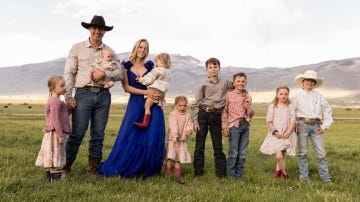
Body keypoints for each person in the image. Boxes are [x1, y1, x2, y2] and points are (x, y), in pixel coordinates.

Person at [62, 15, 122, 179]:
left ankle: (93, 170)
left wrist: (104, 72)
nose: (97, 31)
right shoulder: (77, 48)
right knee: (77, 133)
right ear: (89, 29)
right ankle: (65, 167)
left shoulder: (109, 51)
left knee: (98, 135)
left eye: (100, 29)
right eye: (94, 28)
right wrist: (68, 96)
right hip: (83, 94)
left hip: (103, 96)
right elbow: (69, 73)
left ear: (104, 31)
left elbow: (120, 72)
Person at [97, 39, 166, 178]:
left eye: (146, 48)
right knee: (132, 134)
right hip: (136, 103)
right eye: (140, 47)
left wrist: (159, 93)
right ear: (136, 48)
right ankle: (129, 165)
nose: (143, 50)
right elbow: (126, 88)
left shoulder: (151, 66)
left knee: (153, 136)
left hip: (152, 103)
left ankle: (148, 168)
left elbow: (159, 81)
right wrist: (146, 92)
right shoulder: (125, 67)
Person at [191, 57, 233, 178]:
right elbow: (196, 104)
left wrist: (248, 96)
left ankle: (221, 174)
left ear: (219, 68)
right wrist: (195, 121)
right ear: (206, 70)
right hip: (203, 114)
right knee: (199, 145)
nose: (213, 69)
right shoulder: (202, 85)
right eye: (210, 67)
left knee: (218, 145)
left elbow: (238, 86)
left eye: (215, 67)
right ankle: (198, 173)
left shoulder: (225, 83)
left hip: (216, 115)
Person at [291, 70, 333, 183]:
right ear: (303, 82)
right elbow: (291, 112)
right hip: (302, 125)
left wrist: (324, 126)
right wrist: (294, 125)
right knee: (302, 152)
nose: (309, 82)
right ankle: (304, 178)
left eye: (312, 81)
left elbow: (327, 110)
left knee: (321, 153)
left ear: (314, 83)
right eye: (307, 80)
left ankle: (326, 178)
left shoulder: (319, 96)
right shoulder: (296, 97)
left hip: (316, 126)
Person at [35, 75, 71, 181]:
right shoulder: (56, 102)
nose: (65, 87)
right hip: (56, 133)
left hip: (53, 131)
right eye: (62, 86)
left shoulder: (53, 100)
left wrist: (69, 109)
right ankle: (55, 182)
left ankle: (50, 181)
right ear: (53, 88)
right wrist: (60, 135)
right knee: (55, 155)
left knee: (51, 156)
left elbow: (61, 117)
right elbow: (55, 119)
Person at [221, 72, 254, 179]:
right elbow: (224, 112)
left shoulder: (247, 96)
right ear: (234, 83)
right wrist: (224, 126)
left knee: (243, 152)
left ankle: (239, 174)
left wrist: (248, 106)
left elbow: (250, 114)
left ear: (246, 82)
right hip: (234, 126)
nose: (241, 83)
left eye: (243, 81)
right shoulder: (228, 95)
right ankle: (231, 175)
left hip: (245, 125)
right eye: (238, 81)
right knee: (233, 152)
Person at [260, 85, 296, 180]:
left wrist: (287, 133)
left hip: (286, 134)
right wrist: (275, 132)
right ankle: (285, 173)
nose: (283, 96)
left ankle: (277, 172)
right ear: (277, 95)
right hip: (275, 134)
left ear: (288, 95)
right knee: (279, 156)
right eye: (281, 94)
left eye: (286, 94)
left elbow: (292, 121)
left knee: (282, 155)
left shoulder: (290, 107)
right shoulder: (273, 106)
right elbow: (269, 121)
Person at [134, 52, 171, 128]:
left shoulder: (157, 70)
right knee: (153, 105)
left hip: (153, 90)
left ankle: (145, 122)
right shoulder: (168, 72)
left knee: (147, 106)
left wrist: (141, 80)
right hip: (160, 92)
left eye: (157, 61)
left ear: (162, 61)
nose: (156, 63)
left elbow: (149, 79)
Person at [164, 96, 193, 184]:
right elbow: (173, 125)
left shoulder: (187, 115)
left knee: (179, 157)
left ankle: (177, 171)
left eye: (184, 106)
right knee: (171, 157)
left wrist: (188, 130)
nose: (182, 108)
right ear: (175, 105)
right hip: (173, 139)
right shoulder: (173, 114)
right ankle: (167, 171)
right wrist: (175, 134)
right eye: (180, 106)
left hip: (182, 140)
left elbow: (189, 124)